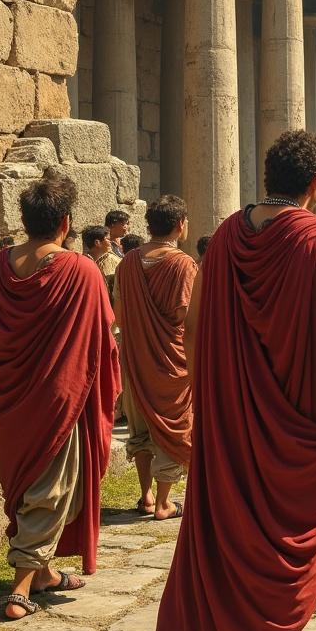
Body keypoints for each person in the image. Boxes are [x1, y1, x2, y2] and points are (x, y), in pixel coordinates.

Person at [157, 130, 316, 631]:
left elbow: (191, 321)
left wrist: (211, 386)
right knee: (288, 529)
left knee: (216, 521)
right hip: (302, 418)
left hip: (232, 410)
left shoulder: (227, 235)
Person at [0, 176, 119, 620]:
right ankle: (21, 585)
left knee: (28, 481)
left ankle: (43, 573)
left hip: (8, 395)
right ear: (66, 222)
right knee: (50, 487)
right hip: (60, 394)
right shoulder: (81, 270)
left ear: (24, 220)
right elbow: (103, 335)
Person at [114, 195, 198, 521]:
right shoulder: (183, 264)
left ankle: (146, 496)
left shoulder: (127, 262)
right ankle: (164, 503)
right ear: (180, 224)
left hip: (135, 357)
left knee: (141, 428)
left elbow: (119, 314)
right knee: (174, 426)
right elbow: (184, 314)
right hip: (173, 359)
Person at [83, 224, 121, 297]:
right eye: (108, 239)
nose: (110, 243)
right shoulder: (85, 263)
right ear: (97, 243)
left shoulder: (111, 260)